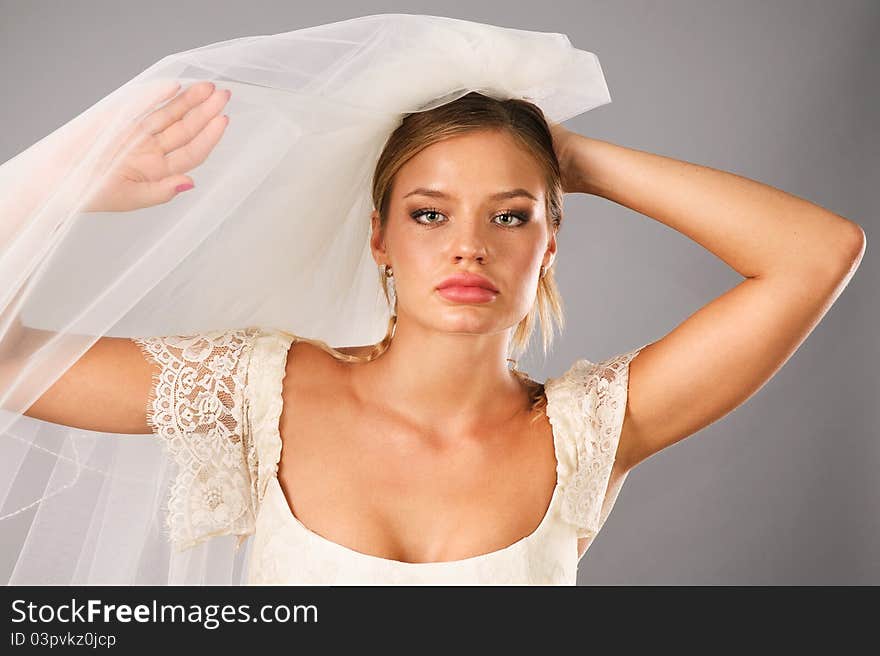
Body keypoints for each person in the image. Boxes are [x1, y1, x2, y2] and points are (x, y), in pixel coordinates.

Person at [0, 14, 865, 585]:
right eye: (429, 212)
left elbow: (818, 253)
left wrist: (571, 159)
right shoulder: (259, 391)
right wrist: (49, 186)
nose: (467, 245)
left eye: (509, 216)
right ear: (380, 238)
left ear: (549, 243)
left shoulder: (593, 428)